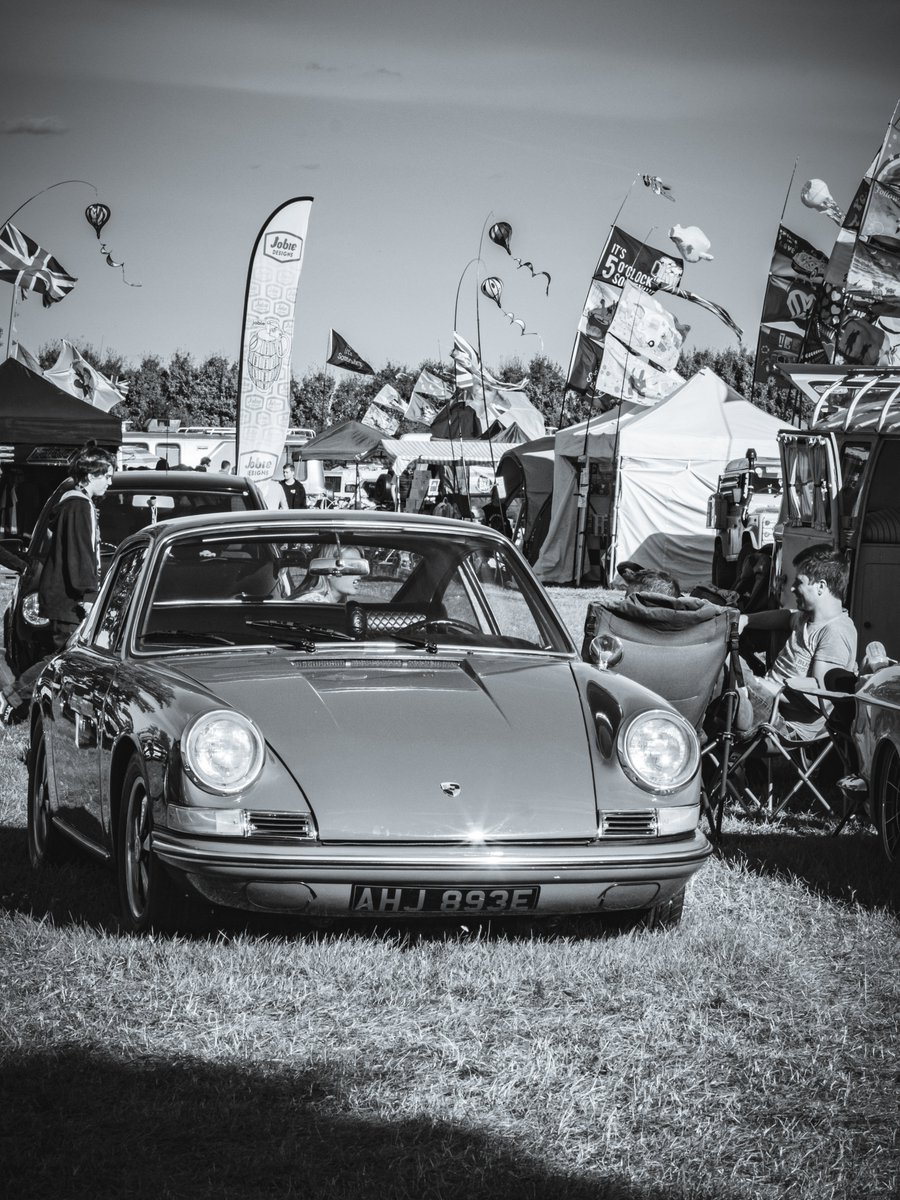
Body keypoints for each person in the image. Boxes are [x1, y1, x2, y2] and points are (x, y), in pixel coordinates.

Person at [735, 544, 857, 740]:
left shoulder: (835, 632)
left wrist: (757, 684)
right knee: (723, 660)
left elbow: (819, 699)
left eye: (799, 582)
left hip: (785, 725)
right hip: (769, 703)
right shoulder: (808, 617)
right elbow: (786, 617)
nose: (791, 588)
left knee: (724, 666)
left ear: (821, 586)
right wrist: (745, 620)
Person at [37, 449, 115, 650]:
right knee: (63, 661)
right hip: (71, 602)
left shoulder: (71, 502)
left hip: (64, 600)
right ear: (90, 476)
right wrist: (88, 596)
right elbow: (80, 552)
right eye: (107, 476)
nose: (110, 482)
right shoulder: (79, 506)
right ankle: (21, 684)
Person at [296, 545, 367, 603]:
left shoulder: (330, 604)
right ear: (329, 571)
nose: (359, 574)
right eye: (352, 566)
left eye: (359, 567)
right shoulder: (315, 606)